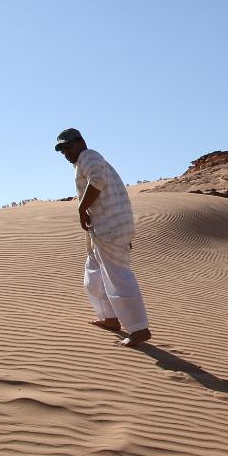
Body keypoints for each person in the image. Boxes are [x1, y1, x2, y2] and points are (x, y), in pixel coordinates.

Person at [55, 128, 152, 347]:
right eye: (63, 150)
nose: (66, 153)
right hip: (104, 229)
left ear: (80, 142)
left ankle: (139, 329)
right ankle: (110, 318)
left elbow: (96, 181)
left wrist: (81, 210)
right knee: (94, 275)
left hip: (110, 228)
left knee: (118, 277)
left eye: (68, 146)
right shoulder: (83, 161)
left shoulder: (88, 156)